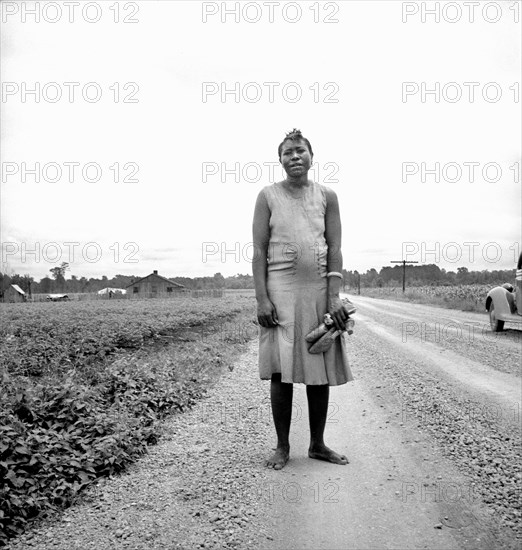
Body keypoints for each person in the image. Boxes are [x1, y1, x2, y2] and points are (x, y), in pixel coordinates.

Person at [252, 129, 354, 471]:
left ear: (312, 156)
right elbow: (259, 251)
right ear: (279, 161)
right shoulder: (267, 196)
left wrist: (334, 296)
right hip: (280, 292)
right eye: (287, 153)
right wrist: (262, 299)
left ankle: (317, 444)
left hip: (318, 292)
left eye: (300, 151)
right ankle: (282, 447)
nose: (294, 157)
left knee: (318, 367)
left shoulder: (328, 195)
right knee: (283, 372)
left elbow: (336, 248)